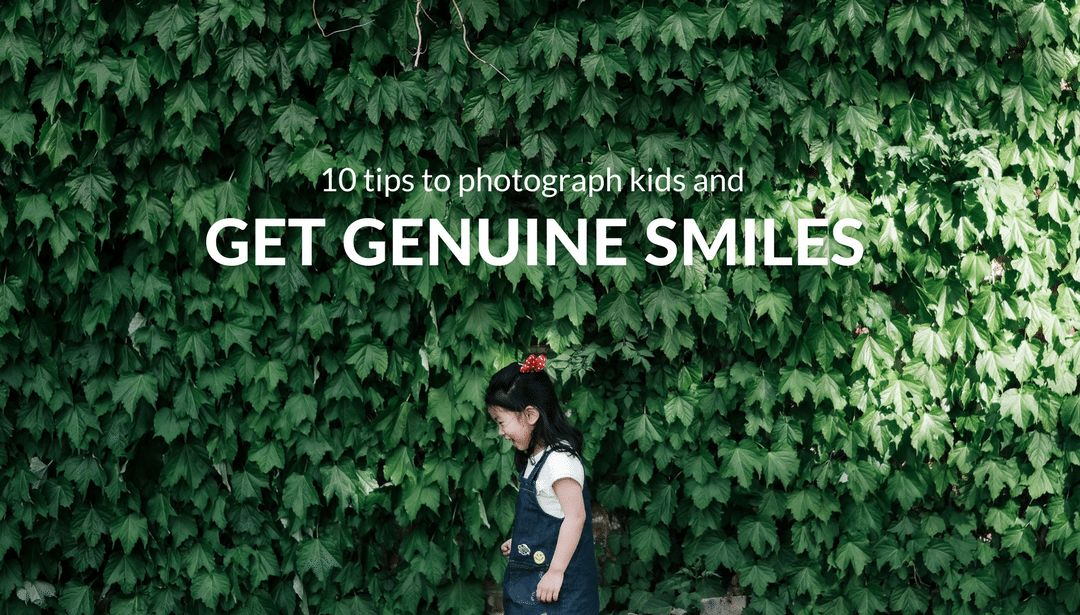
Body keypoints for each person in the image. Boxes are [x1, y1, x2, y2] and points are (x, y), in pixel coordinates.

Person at [486, 354, 600, 614]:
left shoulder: (559, 461)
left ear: (530, 415)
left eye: (501, 422)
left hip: (562, 595)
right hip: (534, 588)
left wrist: (556, 571)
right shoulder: (535, 458)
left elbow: (575, 518)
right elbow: (550, 516)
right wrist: (525, 542)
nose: (500, 432)